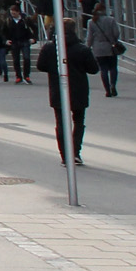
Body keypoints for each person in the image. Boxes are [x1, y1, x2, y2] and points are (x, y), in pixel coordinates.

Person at [38, 18, 95, 163]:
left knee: (61, 123)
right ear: (74, 29)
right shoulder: (82, 49)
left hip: (58, 89)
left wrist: (53, 69)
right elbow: (93, 69)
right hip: (78, 89)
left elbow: (41, 66)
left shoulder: (50, 48)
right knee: (79, 121)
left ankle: (65, 155)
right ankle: (75, 151)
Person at [85, 2, 123, 97]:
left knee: (103, 69)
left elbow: (89, 37)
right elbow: (116, 33)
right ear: (104, 10)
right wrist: (113, 40)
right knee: (113, 67)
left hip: (98, 48)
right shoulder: (111, 20)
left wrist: (87, 47)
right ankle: (113, 85)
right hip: (110, 47)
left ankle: (107, 90)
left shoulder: (91, 22)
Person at [8, 7, 37, 86]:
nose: (13, 15)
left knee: (26, 58)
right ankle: (18, 76)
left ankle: (26, 76)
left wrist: (33, 38)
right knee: (16, 60)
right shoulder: (9, 21)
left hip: (25, 41)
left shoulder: (25, 20)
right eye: (11, 13)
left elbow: (34, 28)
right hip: (14, 42)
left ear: (18, 12)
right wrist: (6, 40)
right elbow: (4, 31)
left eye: (14, 13)